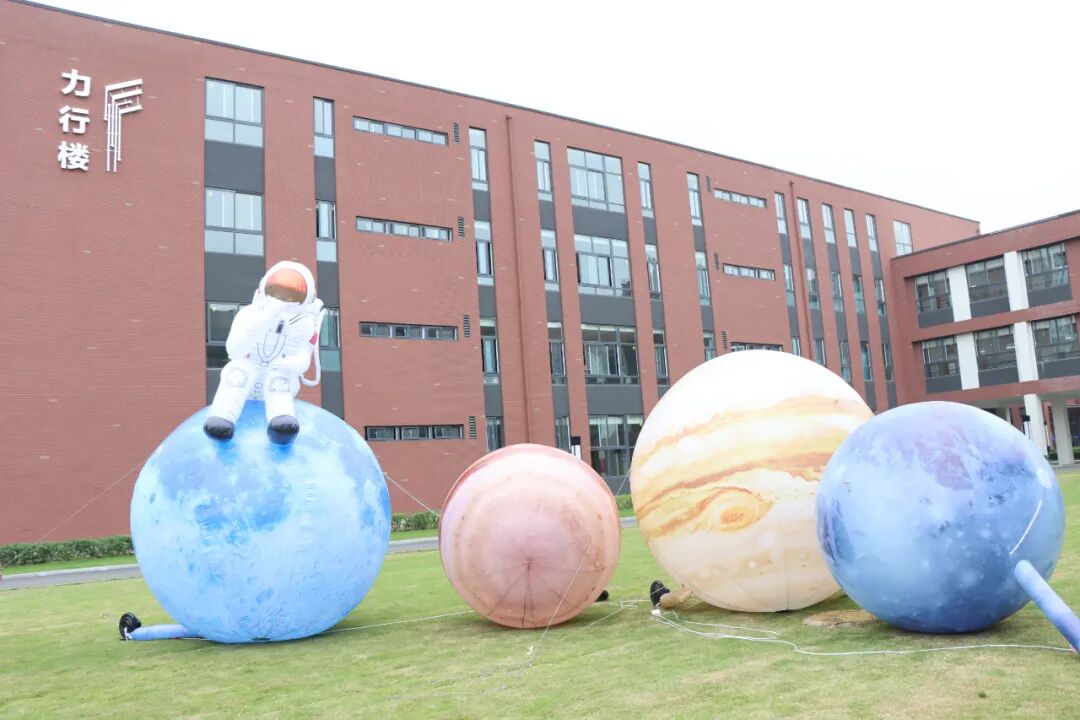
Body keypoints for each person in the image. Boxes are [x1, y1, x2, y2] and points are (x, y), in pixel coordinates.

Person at [203, 261, 325, 445]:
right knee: (236, 375)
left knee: (280, 384)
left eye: (291, 295)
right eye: (277, 292)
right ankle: (223, 417)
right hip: (248, 364)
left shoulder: (304, 325)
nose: (283, 299)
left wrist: (290, 365)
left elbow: (304, 356)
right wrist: (266, 317)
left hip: (278, 371)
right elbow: (234, 349)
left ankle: (281, 424)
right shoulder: (249, 314)